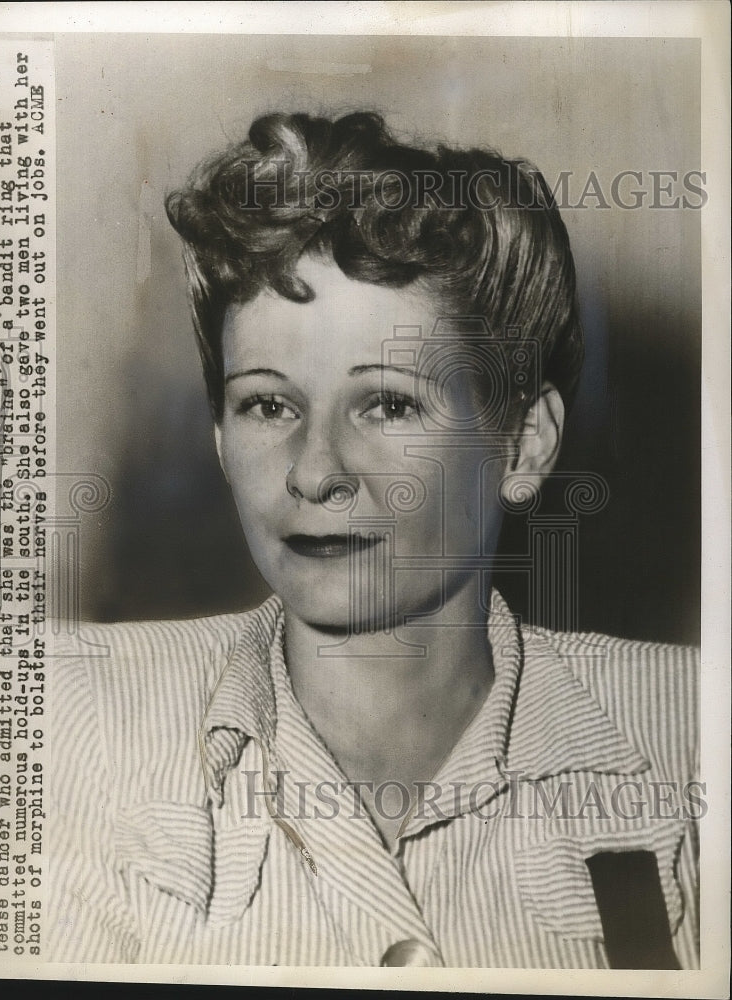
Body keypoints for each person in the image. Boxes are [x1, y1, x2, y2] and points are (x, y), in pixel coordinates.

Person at [48, 111, 699, 968]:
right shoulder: (67, 716)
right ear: (218, 437)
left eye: (389, 404)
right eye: (268, 404)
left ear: (524, 443)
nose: (315, 471)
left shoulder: (688, 730)